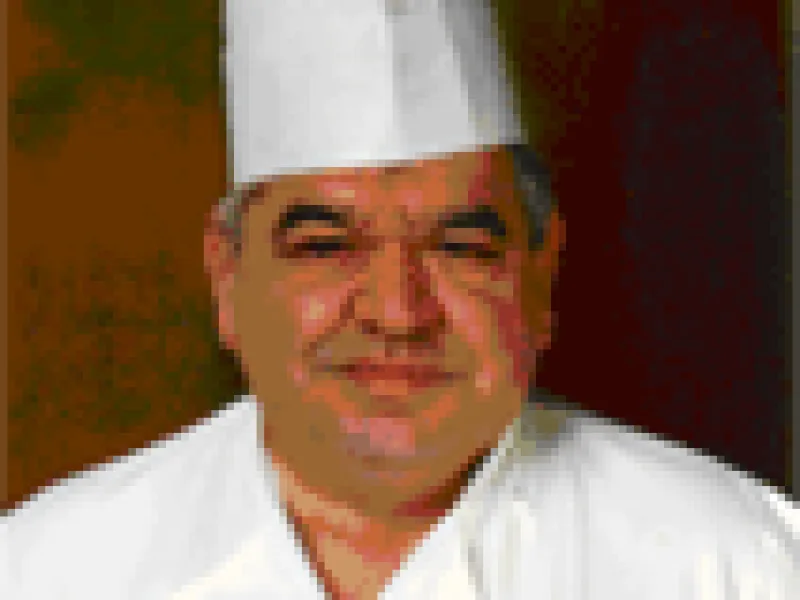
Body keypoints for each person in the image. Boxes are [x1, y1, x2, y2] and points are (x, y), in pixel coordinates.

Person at [3, 1, 797, 598]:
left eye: (460, 247)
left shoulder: (739, 566)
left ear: (540, 273)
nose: (397, 311)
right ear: (228, 276)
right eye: (326, 245)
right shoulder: (51, 570)